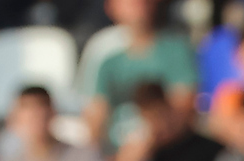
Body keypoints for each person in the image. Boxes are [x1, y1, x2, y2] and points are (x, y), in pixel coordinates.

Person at [80, 0, 199, 151]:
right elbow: (95, 116)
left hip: (167, 152)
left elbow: (183, 110)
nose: (138, 4)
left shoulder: (176, 50)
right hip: (115, 154)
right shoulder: (107, 60)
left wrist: (143, 144)